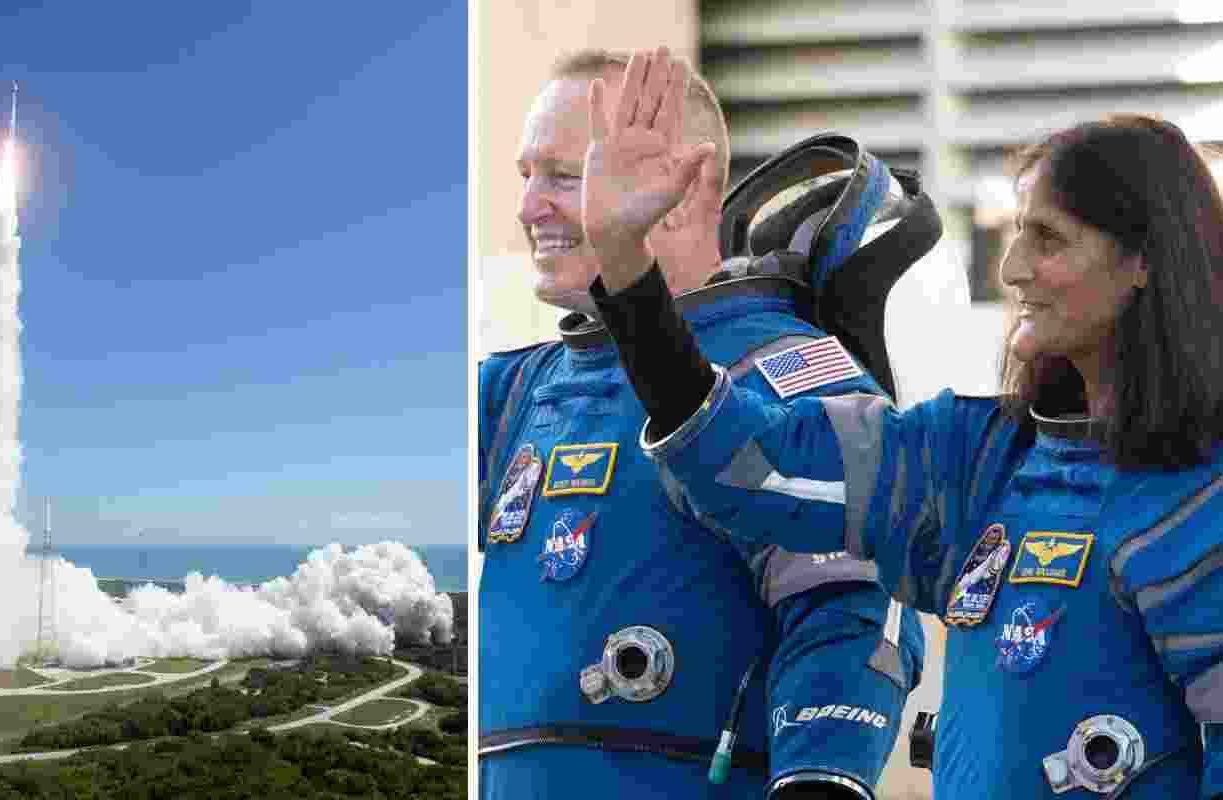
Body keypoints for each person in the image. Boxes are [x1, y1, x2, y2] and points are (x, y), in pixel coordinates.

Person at [582, 47, 1223, 800]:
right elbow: (750, 466)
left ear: (1145, 262)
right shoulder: (981, 457)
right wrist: (626, 262)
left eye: (1048, 239)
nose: (1011, 267)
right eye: (1018, 232)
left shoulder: (1197, 498)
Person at [478, 47, 925, 800]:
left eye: (564, 176)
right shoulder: (517, 390)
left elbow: (860, 611)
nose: (529, 209)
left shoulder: (779, 370)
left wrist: (821, 779)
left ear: (679, 191)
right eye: (527, 177)